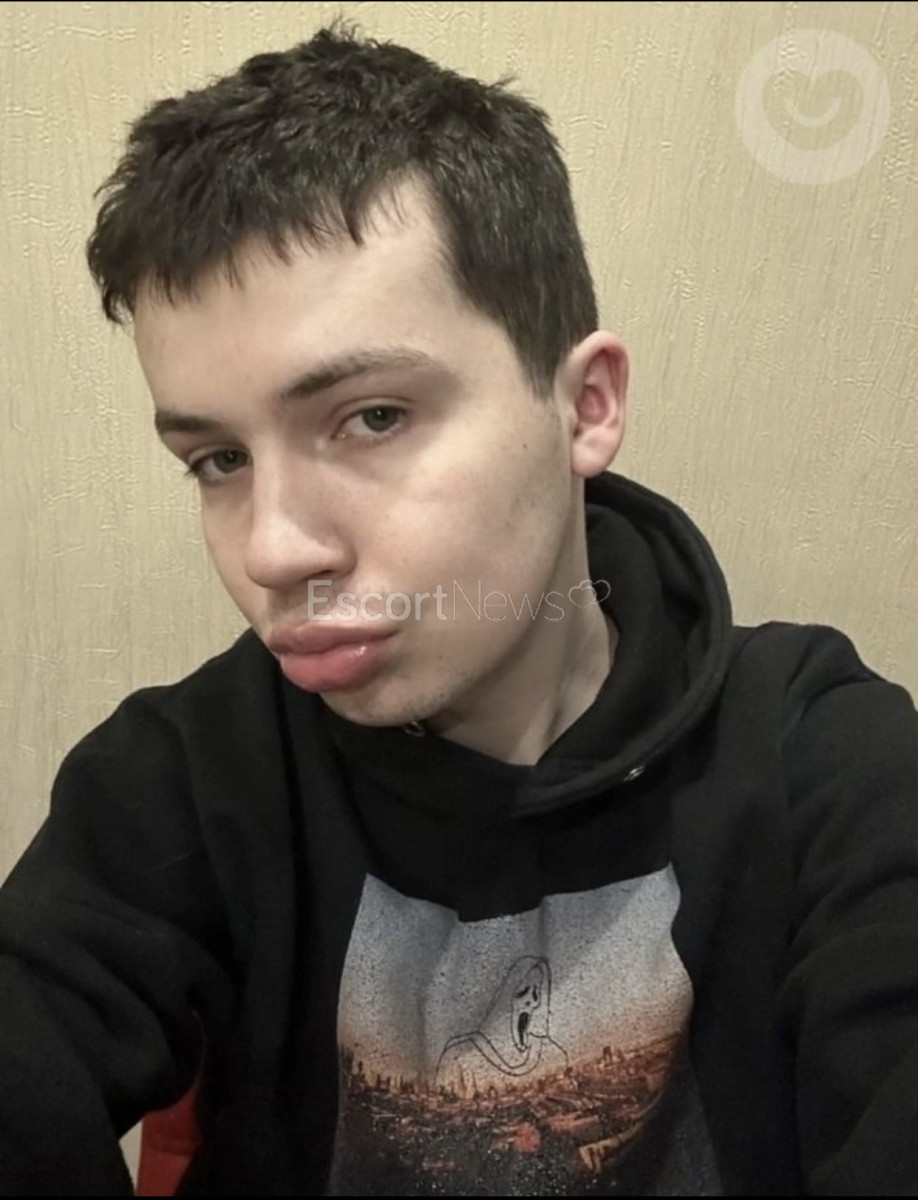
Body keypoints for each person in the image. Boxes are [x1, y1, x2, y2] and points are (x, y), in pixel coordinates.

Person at [2, 20, 916, 1197]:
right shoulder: (186, 776)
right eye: (218, 459)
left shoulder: (818, 757)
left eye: (373, 417)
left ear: (586, 405)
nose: (274, 550)